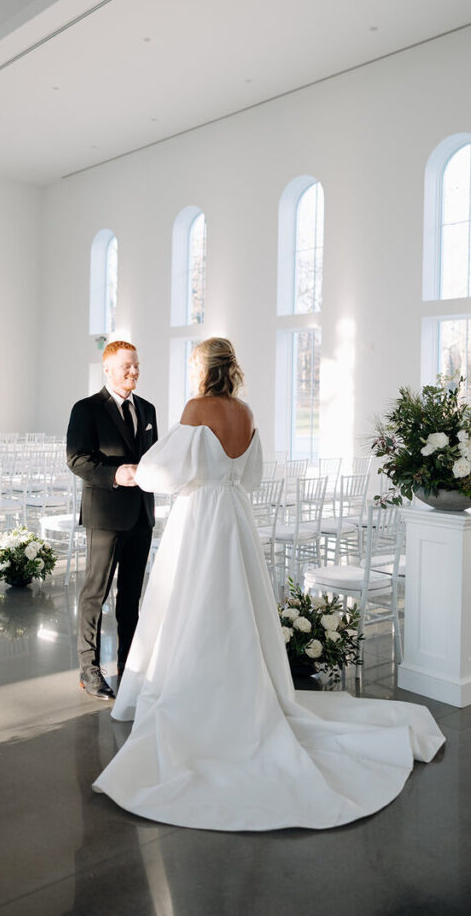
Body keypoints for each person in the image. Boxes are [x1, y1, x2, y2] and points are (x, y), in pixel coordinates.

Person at [92, 337, 444, 830]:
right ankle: (244, 689)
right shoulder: (246, 412)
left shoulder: (198, 407)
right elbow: (251, 476)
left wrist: (136, 471)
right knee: (236, 606)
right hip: (235, 516)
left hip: (201, 517)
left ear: (201, 368)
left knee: (192, 604)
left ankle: (196, 695)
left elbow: (162, 470)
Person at [66, 340, 158, 700]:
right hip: (105, 514)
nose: (133, 371)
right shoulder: (86, 409)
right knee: (95, 594)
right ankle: (89, 671)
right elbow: (77, 459)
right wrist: (116, 473)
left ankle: (129, 668)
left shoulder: (148, 409)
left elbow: (150, 457)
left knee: (131, 597)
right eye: (126, 366)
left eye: (136, 365)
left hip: (142, 516)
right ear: (107, 369)